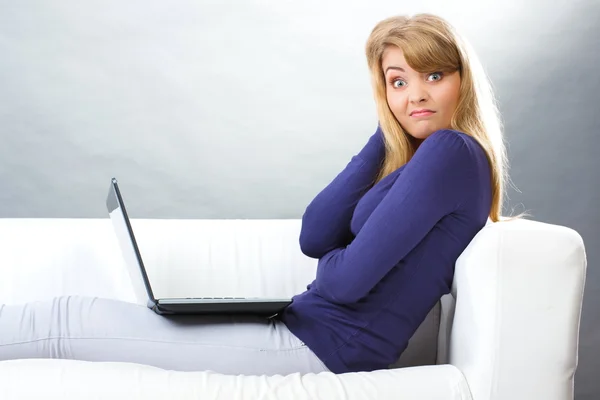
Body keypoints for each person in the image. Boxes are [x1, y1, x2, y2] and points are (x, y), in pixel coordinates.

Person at [0, 13, 524, 375]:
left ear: (463, 81)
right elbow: (314, 233)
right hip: (308, 330)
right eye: (397, 82)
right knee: (68, 316)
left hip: (325, 347)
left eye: (434, 75)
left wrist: (340, 262)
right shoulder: (424, 155)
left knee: (64, 322)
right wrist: (389, 130)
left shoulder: (453, 152)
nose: (417, 95)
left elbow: (344, 283)